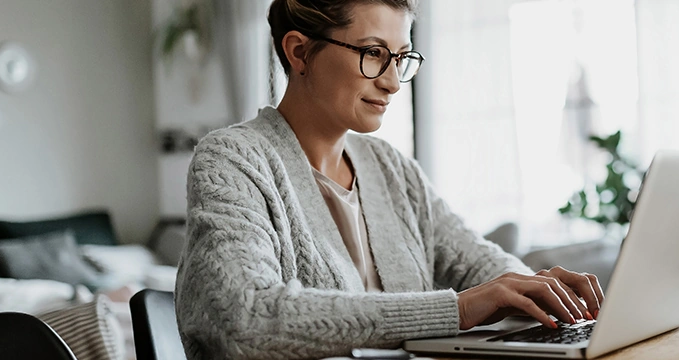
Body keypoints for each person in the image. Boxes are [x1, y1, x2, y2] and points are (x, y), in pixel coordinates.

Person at [175, 0, 605, 358]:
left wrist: (538, 294)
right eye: (375, 53)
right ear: (299, 52)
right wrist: (457, 309)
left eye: (401, 57)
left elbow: (479, 263)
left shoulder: (391, 168)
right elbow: (246, 316)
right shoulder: (231, 160)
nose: (394, 82)